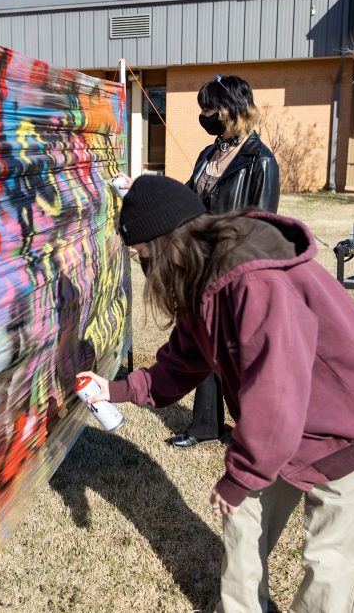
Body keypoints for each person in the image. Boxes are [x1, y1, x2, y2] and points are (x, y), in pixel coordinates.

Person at [79, 175, 354, 613]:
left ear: (164, 246)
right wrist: (117, 389)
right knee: (241, 520)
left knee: (332, 570)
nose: (144, 269)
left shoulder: (250, 282)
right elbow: (182, 362)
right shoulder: (203, 276)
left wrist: (242, 475)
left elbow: (276, 394)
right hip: (287, 427)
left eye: (143, 256)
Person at [118, 74, 280, 448]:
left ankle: (254, 428)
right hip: (197, 261)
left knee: (238, 350)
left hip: (235, 266)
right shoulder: (210, 154)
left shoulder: (261, 162)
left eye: (209, 108)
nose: (204, 115)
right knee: (204, 339)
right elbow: (185, 199)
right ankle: (205, 424)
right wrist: (139, 189)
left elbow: (264, 223)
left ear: (232, 110)